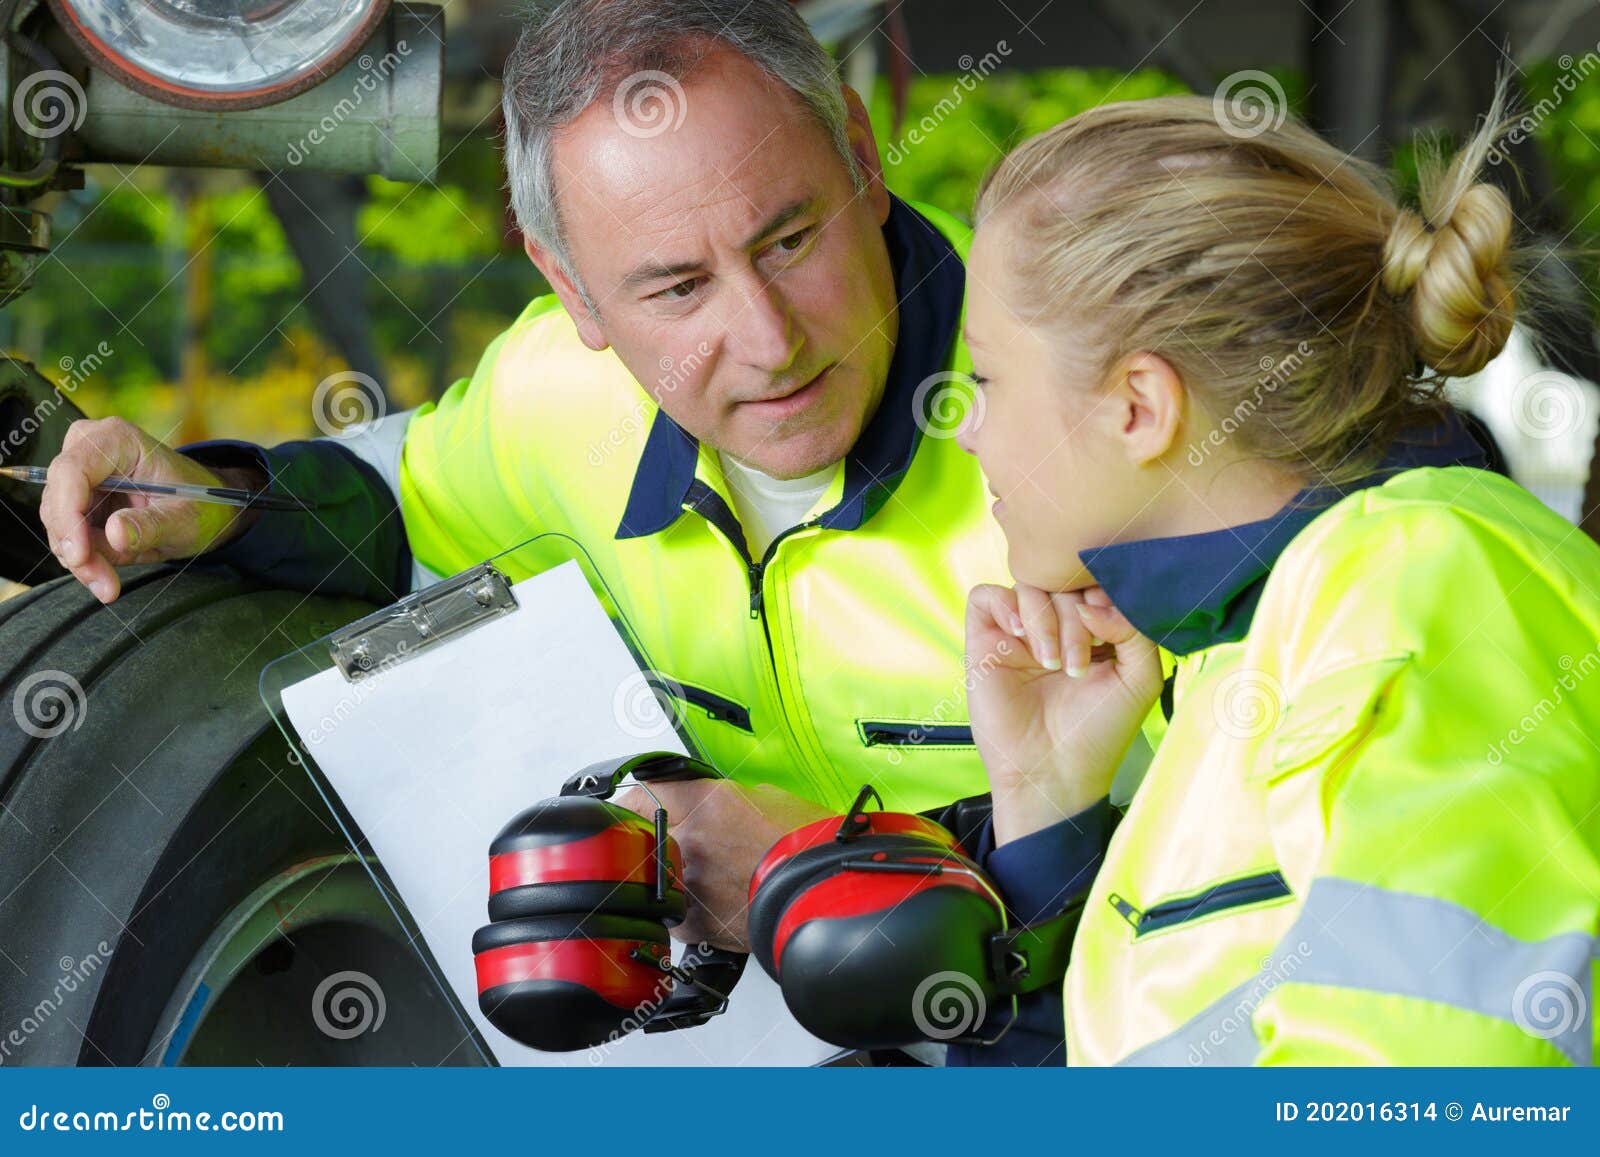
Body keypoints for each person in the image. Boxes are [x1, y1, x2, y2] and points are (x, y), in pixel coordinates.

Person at [32, 0, 1024, 957]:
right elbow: (399, 501)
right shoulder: (555, 395)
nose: (769, 344)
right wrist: (218, 504)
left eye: (790, 240)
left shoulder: (1090, 411)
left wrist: (812, 866)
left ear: (859, 151)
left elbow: (1176, 917)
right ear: (571, 287)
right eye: (679, 287)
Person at [953, 91, 1600, 1065]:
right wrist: (1044, 808)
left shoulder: (1418, 591)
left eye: (986, 379)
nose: (965, 429)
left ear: (1139, 406)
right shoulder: (1246, 646)